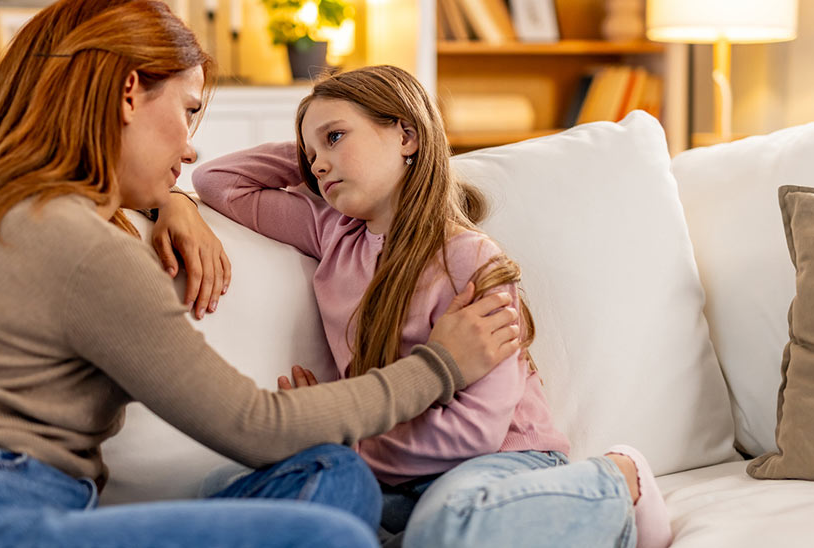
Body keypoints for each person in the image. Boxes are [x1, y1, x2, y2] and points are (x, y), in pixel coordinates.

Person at [0, 0, 527, 548]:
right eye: (189, 110)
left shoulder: (37, 215)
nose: (192, 148)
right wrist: (441, 366)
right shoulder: (75, 242)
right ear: (127, 94)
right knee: (329, 536)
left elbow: (191, 184)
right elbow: (255, 426)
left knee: (333, 476)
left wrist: (171, 199)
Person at [192, 65, 672, 548]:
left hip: (500, 463)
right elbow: (218, 181)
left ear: (406, 136)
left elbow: (476, 432)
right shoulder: (333, 234)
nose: (317, 166)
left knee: (448, 523)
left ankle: (616, 480)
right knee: (229, 487)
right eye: (310, 155)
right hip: (399, 475)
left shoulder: (469, 258)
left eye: (335, 137)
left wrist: (344, 438)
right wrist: (312, 154)